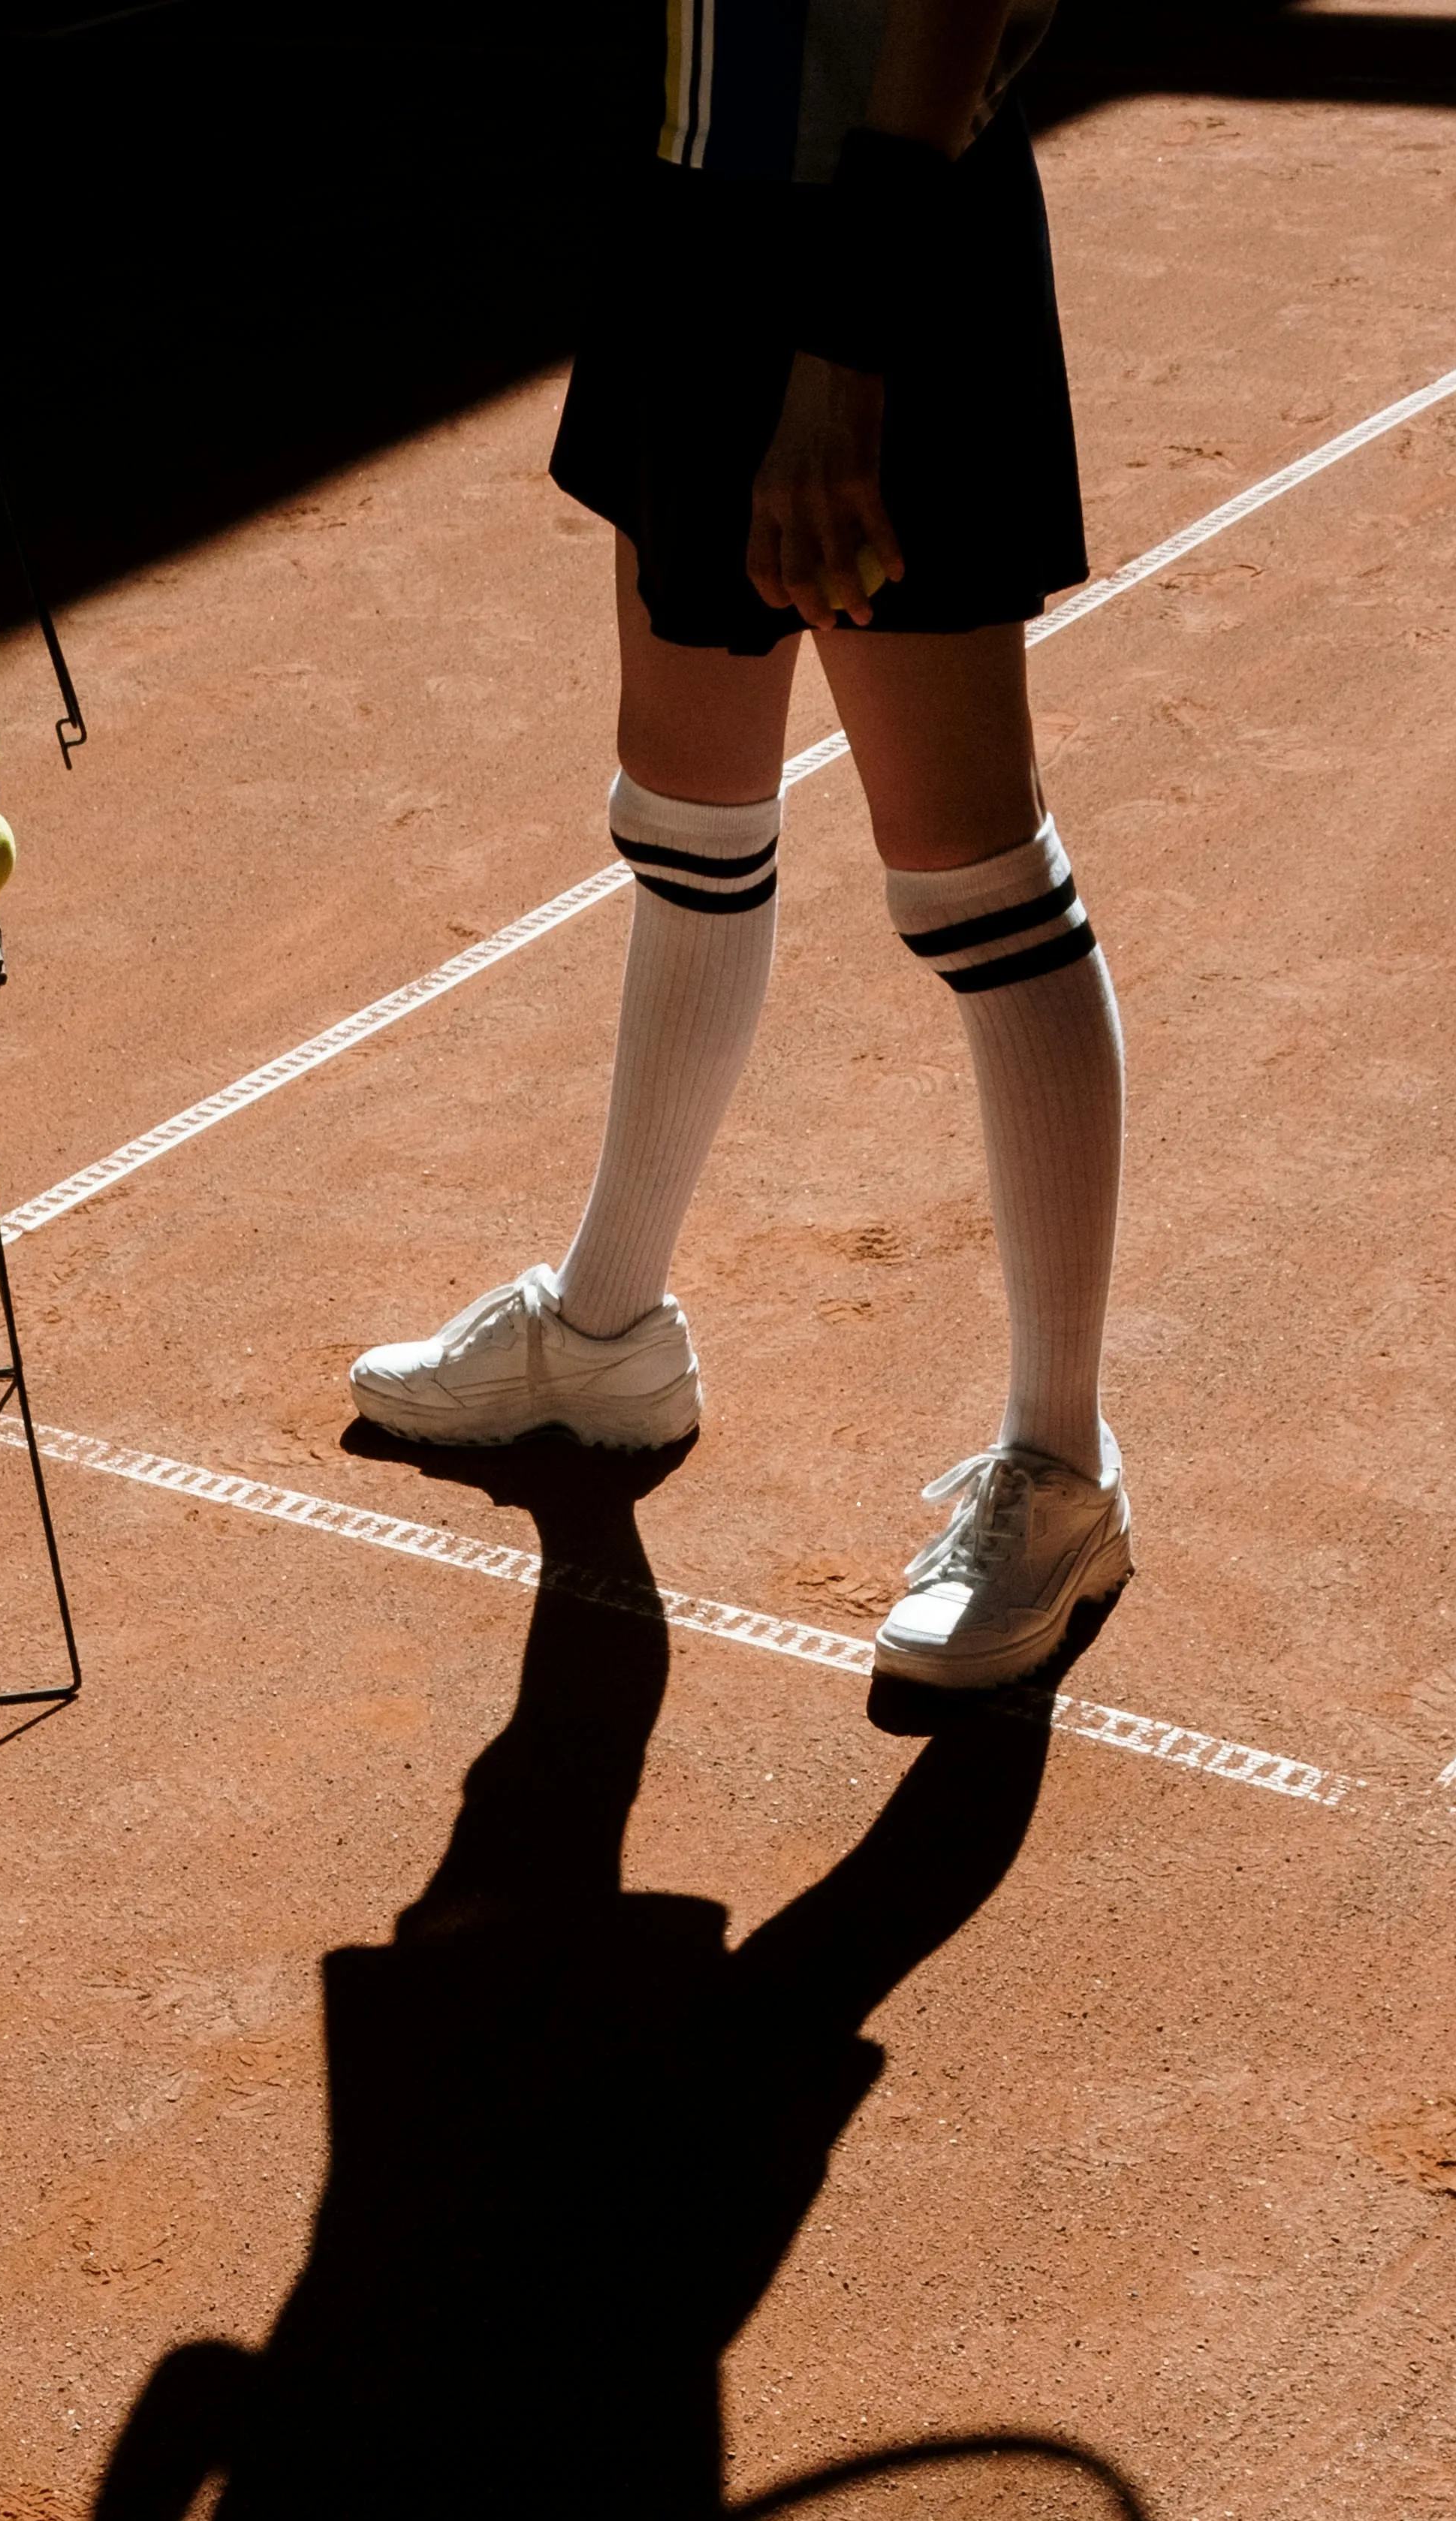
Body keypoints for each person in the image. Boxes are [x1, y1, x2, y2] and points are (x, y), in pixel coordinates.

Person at [349, 0, 1130, 1693]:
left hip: (875, 245)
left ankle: (1062, 1467)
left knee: (969, 874)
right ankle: (606, 1335)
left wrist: (848, 351)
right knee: (687, 818)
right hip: (702, 211)